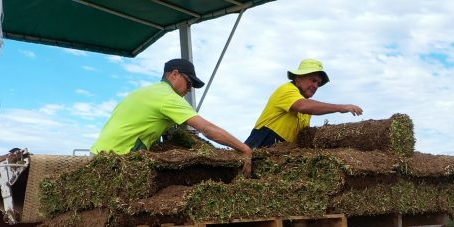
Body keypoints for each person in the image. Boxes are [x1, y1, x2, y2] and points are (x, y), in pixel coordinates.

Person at [91, 58, 252, 175]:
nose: (189, 89)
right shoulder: (168, 97)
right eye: (189, 83)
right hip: (117, 160)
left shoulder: (146, 91)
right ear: (175, 74)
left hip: (100, 154)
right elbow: (206, 128)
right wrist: (244, 149)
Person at [245, 59, 363, 149]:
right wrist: (341, 108)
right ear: (298, 78)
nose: (316, 86)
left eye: (318, 83)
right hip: (258, 148)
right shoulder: (287, 89)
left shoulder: (307, 112)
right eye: (313, 80)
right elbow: (303, 106)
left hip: (279, 155)